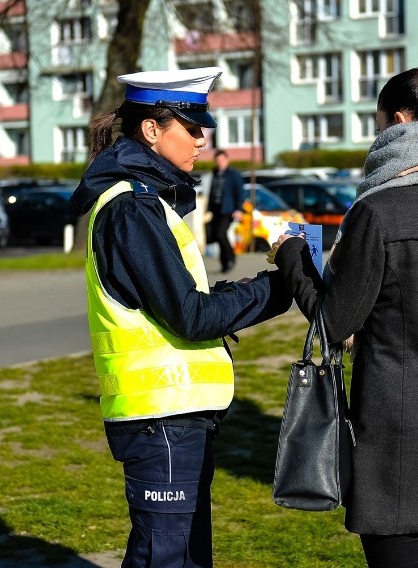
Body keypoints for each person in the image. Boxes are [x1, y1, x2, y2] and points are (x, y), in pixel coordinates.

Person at [268, 66, 418, 568]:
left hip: (398, 444)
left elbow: (333, 324)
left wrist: (292, 253)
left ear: (400, 121)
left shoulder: (378, 214)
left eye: (378, 123)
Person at [69, 66, 292, 568]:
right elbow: (190, 315)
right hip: (161, 419)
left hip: (175, 417)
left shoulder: (148, 204)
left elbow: (182, 302)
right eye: (190, 128)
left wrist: (257, 289)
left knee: (183, 556)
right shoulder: (133, 210)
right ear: (151, 130)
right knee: (166, 559)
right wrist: (278, 288)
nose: (201, 139)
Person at [206, 149, 244, 273]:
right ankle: (225, 262)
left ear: (227, 160)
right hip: (216, 210)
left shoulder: (233, 174)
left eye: (222, 160)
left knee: (221, 234)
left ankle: (230, 258)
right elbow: (212, 191)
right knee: (217, 235)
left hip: (228, 210)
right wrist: (208, 208)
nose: (220, 162)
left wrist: (238, 209)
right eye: (218, 160)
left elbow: (240, 193)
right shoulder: (215, 173)